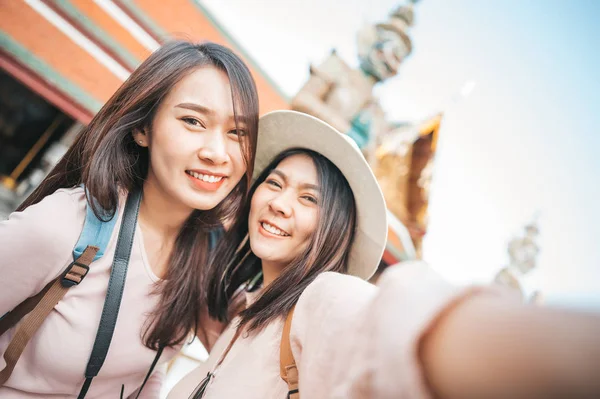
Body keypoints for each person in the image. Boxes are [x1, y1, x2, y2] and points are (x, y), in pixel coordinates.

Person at [169, 110, 600, 399]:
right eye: (276, 183)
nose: (281, 204)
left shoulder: (323, 300)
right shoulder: (240, 312)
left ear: (332, 229)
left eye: (309, 199)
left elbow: (392, 328)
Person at [0, 40, 259, 398]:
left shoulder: (205, 256)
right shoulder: (65, 225)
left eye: (237, 132)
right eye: (192, 121)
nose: (217, 153)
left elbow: (142, 371)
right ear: (143, 129)